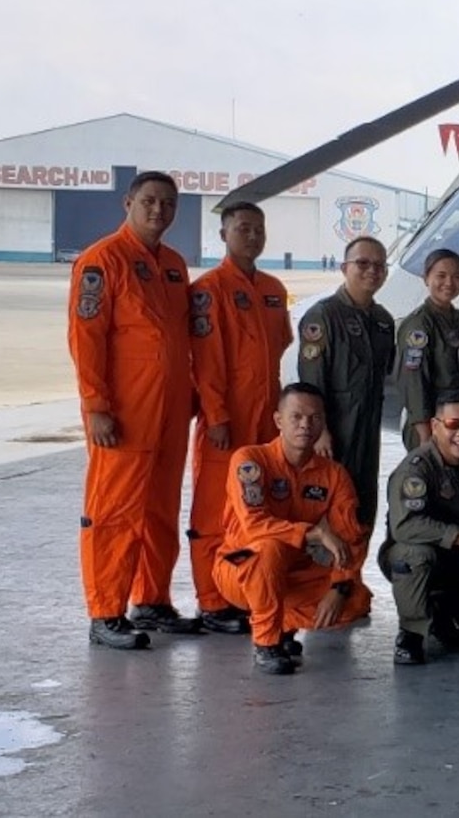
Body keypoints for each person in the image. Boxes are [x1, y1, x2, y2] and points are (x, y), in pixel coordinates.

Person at [69, 170, 200, 647]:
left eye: (168, 203)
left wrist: (191, 392)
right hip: (124, 412)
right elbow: (86, 339)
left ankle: (151, 601)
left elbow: (181, 338)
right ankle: (105, 612)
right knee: (115, 511)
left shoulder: (174, 266)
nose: (158, 210)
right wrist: (96, 406)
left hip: (170, 412)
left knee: (161, 510)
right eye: (149, 201)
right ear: (128, 203)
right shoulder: (102, 261)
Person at [214, 383, 372, 675]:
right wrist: (316, 533)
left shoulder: (333, 475)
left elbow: (350, 536)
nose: (305, 425)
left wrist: (339, 586)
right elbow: (255, 524)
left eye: (314, 418)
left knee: (355, 600)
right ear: (278, 420)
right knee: (269, 548)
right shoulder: (250, 461)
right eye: (296, 417)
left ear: (323, 423)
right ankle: (267, 643)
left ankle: (282, 623)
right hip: (242, 567)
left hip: (293, 571)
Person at [186, 201, 292, 635]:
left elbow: (280, 350)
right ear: (224, 235)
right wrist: (216, 416)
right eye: (243, 228)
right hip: (226, 421)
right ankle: (212, 602)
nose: (252, 236)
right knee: (214, 511)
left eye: (258, 229)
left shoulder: (272, 289)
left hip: (265, 420)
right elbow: (205, 361)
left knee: (256, 507)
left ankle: (243, 592)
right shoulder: (208, 290)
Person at [379, 390, 459, 666]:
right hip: (426, 555)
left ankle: (449, 614)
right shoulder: (415, 470)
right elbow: (405, 525)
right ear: (435, 426)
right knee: (413, 556)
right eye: (453, 425)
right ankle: (411, 633)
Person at [297, 236, 397, 536]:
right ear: (344, 268)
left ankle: (353, 566)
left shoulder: (383, 321)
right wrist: (320, 431)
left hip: (367, 430)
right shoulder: (323, 316)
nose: (372, 271)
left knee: (362, 506)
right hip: (333, 432)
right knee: (328, 507)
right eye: (362, 263)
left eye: (379, 265)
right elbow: (310, 382)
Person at [394, 249, 459, 452]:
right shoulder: (419, 325)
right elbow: (413, 382)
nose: (449, 282)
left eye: (456, 276)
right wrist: (424, 432)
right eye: (441, 276)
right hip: (431, 424)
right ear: (426, 278)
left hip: (457, 419)